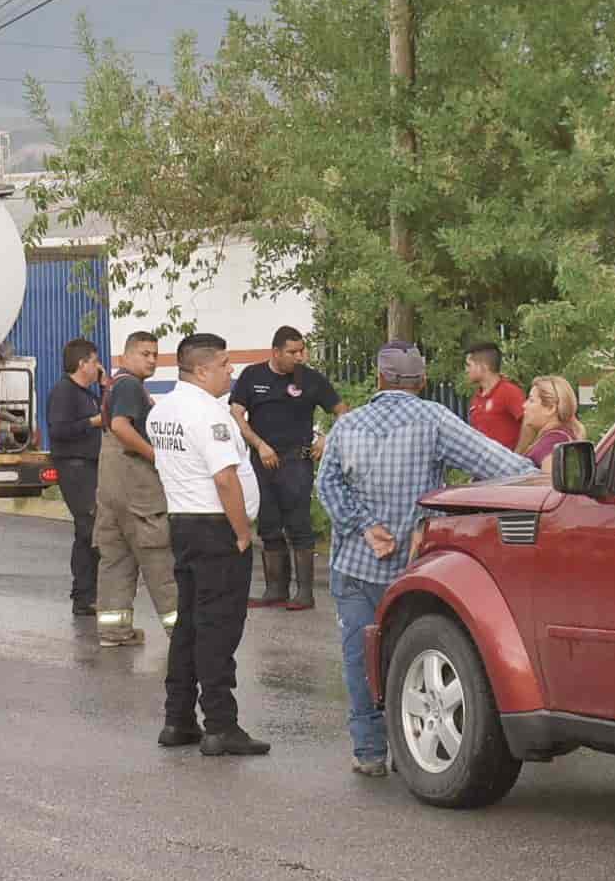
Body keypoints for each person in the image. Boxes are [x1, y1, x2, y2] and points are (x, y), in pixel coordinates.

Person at [317, 343, 538, 777]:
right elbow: (501, 466)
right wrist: (547, 473)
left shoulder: (347, 426)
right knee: (411, 659)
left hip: (354, 564)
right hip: (413, 568)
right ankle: (411, 748)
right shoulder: (433, 419)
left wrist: (364, 525)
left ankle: (369, 753)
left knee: (359, 657)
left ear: (379, 380)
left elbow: (327, 487)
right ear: (420, 382)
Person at [146, 333, 268, 755]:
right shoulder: (208, 415)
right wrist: (241, 532)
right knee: (219, 628)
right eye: (224, 364)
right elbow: (224, 478)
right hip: (217, 528)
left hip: (183, 522)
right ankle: (220, 724)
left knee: (189, 625)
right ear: (202, 370)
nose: (230, 371)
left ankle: (178, 719)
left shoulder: (163, 411)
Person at [227, 324, 347, 613]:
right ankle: (274, 590)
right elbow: (235, 413)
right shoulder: (253, 376)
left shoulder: (311, 379)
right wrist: (259, 445)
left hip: (296, 461)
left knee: (299, 524)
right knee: (268, 524)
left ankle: (304, 594)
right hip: (263, 458)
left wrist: (326, 438)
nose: (299, 357)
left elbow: (342, 410)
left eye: (301, 351)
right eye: (292, 352)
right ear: (276, 352)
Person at [91, 332, 179, 649]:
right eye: (145, 353)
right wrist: (155, 455)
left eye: (155, 354)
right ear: (126, 356)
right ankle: (181, 633)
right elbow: (120, 426)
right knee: (157, 558)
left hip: (111, 486)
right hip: (136, 486)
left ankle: (114, 631)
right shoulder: (130, 386)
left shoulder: (116, 384)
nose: (152, 360)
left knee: (116, 559)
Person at [44, 338, 106, 615]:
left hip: (93, 465)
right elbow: (58, 431)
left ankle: (90, 592)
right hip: (75, 467)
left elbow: (109, 416)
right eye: (95, 361)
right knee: (88, 528)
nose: (98, 366)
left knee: (94, 530)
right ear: (82, 363)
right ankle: (83, 595)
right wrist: (91, 423)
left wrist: (105, 387)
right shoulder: (64, 392)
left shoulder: (89, 394)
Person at [465, 341, 525, 453]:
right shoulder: (477, 398)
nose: (466, 370)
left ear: (483, 367)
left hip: (509, 468)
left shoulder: (509, 392)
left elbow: (530, 424)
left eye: (469, 365)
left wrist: (518, 455)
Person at [522, 375, 584, 464]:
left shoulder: (553, 443)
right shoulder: (559, 437)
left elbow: (550, 477)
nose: (524, 405)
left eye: (531, 400)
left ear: (550, 408)